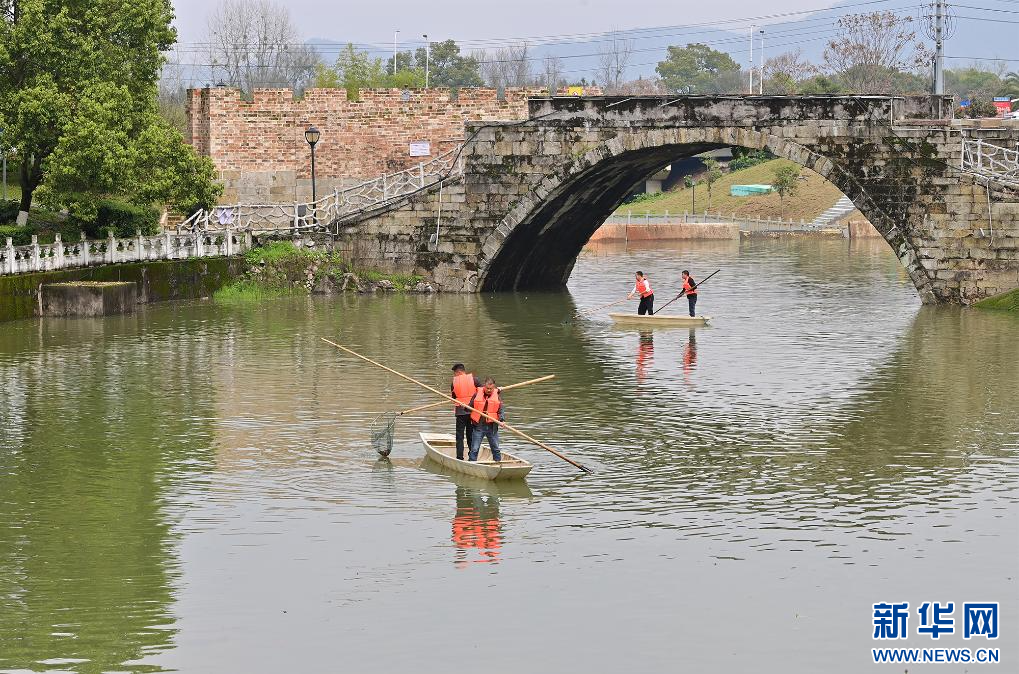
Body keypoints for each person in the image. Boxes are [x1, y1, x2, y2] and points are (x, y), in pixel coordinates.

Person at [468, 378, 504, 462]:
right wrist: (465, 407)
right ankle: (472, 464)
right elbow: (470, 407)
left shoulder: (497, 396)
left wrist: (502, 420)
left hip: (492, 427)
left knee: (496, 448)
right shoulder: (477, 394)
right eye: (487, 388)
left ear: (494, 388)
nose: (489, 390)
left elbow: (501, 410)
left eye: (491, 389)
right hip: (479, 427)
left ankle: (498, 463)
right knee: (475, 449)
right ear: (484, 386)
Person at [450, 363, 481, 460]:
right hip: (472, 412)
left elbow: (454, 398)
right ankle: (472, 457)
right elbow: (482, 392)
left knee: (459, 436)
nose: (455, 375)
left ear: (458, 372)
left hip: (460, 413)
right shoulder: (475, 380)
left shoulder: (454, 383)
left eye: (455, 373)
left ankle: (459, 457)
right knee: (470, 435)